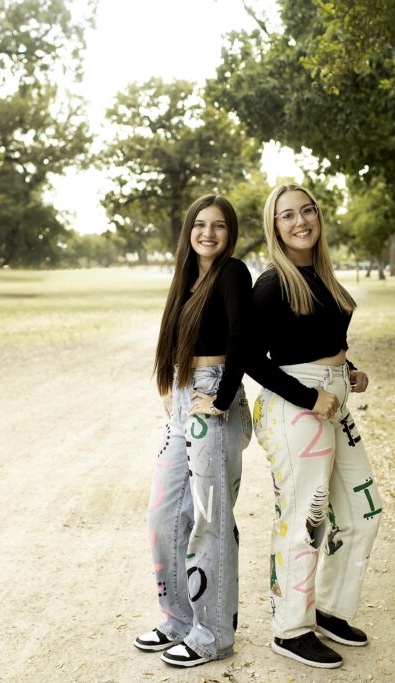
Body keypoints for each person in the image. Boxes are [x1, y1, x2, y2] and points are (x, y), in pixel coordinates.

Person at [249, 183, 383, 669]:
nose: (301, 220)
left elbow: (320, 337)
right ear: (275, 226)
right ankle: (290, 628)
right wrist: (310, 395)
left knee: (364, 509)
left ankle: (328, 610)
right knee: (306, 516)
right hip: (296, 405)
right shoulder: (271, 284)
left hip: (333, 397)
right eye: (288, 215)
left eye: (308, 211)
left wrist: (349, 371)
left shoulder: (322, 275)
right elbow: (249, 357)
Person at [135, 195, 254, 668]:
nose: (208, 233)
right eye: (200, 224)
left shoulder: (232, 273)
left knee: (209, 518)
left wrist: (222, 398)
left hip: (214, 400)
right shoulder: (188, 278)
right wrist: (171, 386)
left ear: (231, 233)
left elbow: (243, 337)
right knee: (164, 513)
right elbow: (173, 337)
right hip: (187, 397)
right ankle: (179, 619)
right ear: (188, 231)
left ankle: (214, 633)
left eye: (218, 225)